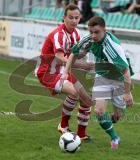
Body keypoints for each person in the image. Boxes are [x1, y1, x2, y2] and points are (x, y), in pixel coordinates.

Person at [62, 16, 134, 149]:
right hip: (102, 77)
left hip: (119, 78)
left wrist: (127, 92)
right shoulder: (88, 39)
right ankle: (114, 137)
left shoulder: (112, 46)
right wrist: (65, 72)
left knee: (118, 115)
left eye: (97, 32)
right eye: (91, 32)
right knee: (99, 111)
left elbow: (125, 71)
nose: (93, 36)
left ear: (104, 30)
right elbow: (74, 54)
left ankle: (117, 114)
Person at [36, 4, 92, 141]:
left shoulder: (77, 34)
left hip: (63, 70)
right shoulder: (59, 34)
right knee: (74, 92)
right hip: (47, 72)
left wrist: (86, 54)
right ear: (64, 18)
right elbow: (60, 57)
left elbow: (76, 55)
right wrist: (84, 65)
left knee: (87, 100)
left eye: (77, 18)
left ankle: (81, 134)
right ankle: (64, 126)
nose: (74, 21)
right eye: (71, 17)